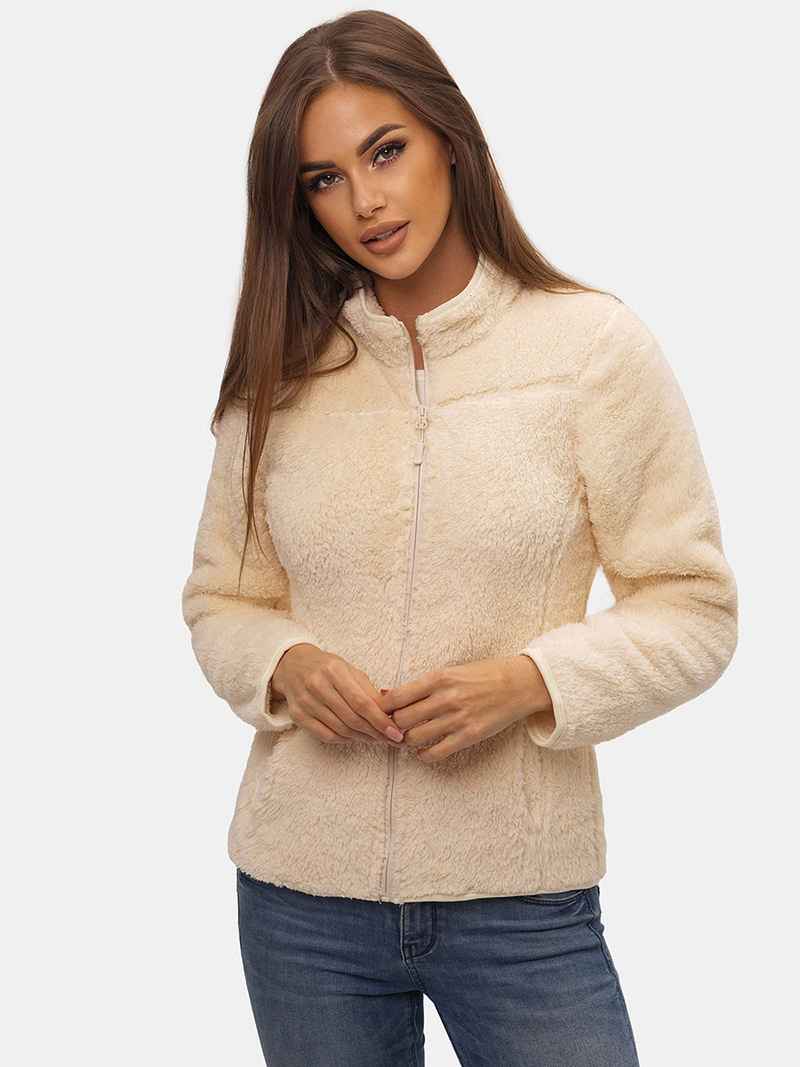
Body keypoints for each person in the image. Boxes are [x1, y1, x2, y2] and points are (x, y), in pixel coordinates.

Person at [182, 9, 738, 1066]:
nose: (365, 200)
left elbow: (694, 606)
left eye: (385, 151)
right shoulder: (281, 374)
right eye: (324, 178)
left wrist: (531, 682)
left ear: (449, 137)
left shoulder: (591, 349)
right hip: (302, 904)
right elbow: (221, 599)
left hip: (520, 903)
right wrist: (284, 662)